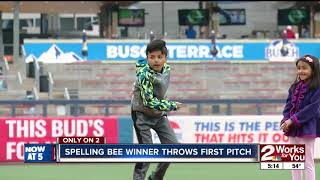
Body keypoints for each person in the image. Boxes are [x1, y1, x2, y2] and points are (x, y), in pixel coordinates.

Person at [130, 39, 184, 180]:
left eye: (160, 57)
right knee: (147, 151)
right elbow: (149, 102)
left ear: (165, 58)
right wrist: (171, 105)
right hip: (141, 114)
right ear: (147, 58)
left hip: (159, 115)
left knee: (172, 148)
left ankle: (156, 177)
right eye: (152, 57)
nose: (156, 61)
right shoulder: (144, 76)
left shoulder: (166, 69)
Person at [280, 54, 320, 180]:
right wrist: (285, 120)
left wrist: (292, 120)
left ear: (313, 70)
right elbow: (288, 106)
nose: (300, 71)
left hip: (308, 128)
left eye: (304, 68)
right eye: (299, 68)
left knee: (308, 162)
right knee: (294, 161)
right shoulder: (294, 87)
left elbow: (312, 109)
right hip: (292, 129)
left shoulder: (317, 88)